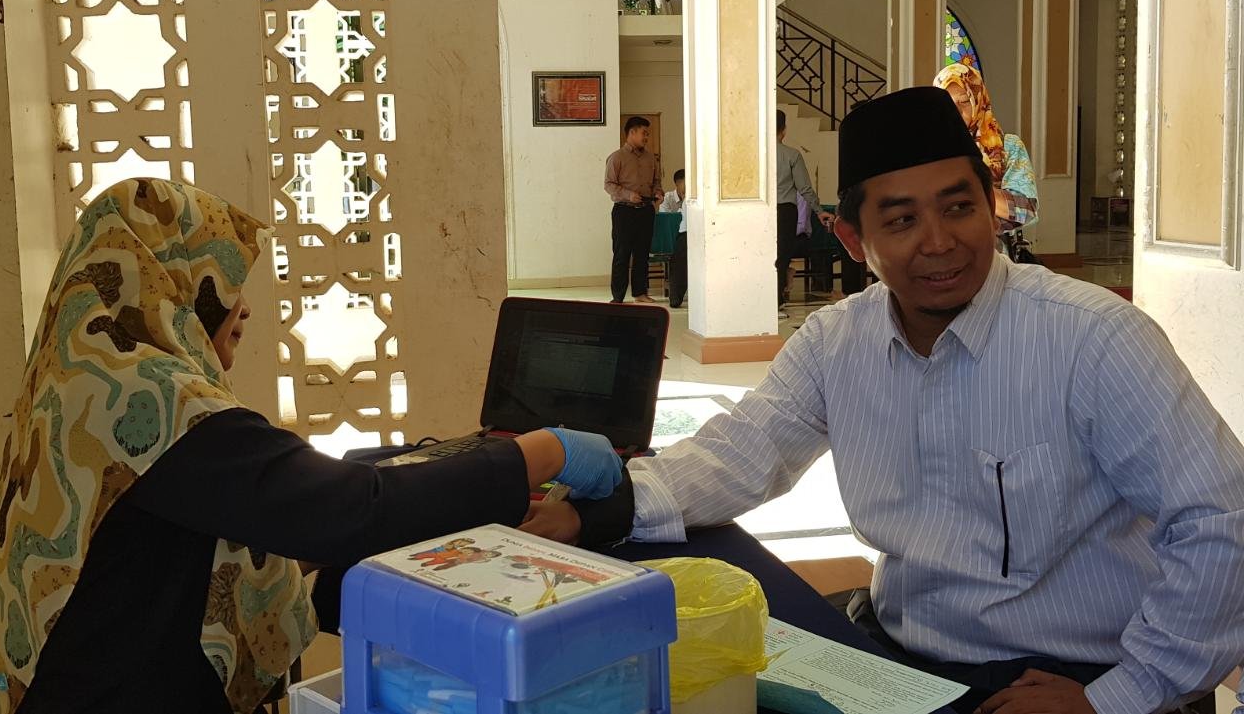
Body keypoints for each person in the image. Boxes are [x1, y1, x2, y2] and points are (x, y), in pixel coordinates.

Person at [522, 88, 1244, 714]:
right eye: (901, 220)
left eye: (959, 207)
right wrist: (600, 508)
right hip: (899, 657)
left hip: (1066, 673)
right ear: (852, 237)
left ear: (991, 207)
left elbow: (1220, 519)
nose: (940, 242)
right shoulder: (837, 342)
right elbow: (741, 452)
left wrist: (1117, 697)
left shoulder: (1092, 338)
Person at [0, 178, 624, 714]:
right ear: (159, 282)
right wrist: (544, 451)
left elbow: (239, 514)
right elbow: (354, 510)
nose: (243, 307)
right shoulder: (147, 402)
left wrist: (456, 472)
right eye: (219, 279)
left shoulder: (77, 379)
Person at [934, 63, 1038, 232]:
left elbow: (1025, 211)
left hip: (992, 244)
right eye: (947, 103)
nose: (956, 111)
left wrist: (971, 187)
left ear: (978, 100)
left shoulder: (1008, 146)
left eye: (964, 101)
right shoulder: (928, 149)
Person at [605, 116, 663, 304]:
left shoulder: (651, 158)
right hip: (624, 211)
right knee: (621, 254)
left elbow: (656, 182)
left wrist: (658, 193)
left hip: (646, 211)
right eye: (644, 133)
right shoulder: (616, 158)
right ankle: (618, 296)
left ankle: (640, 293)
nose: (646, 137)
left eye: (648, 134)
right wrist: (628, 195)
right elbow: (608, 184)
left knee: (642, 253)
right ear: (632, 132)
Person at [777, 110, 819, 319]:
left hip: (760, 210)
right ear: (784, 130)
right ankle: (776, 300)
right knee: (782, 256)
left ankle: (760, 299)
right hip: (785, 210)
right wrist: (819, 211)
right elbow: (804, 188)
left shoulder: (756, 155)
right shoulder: (792, 155)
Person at [659, 169, 687, 309]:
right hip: (675, 236)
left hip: (690, 234)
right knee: (679, 257)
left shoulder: (692, 197)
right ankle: (675, 296)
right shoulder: (668, 198)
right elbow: (664, 218)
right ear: (677, 183)